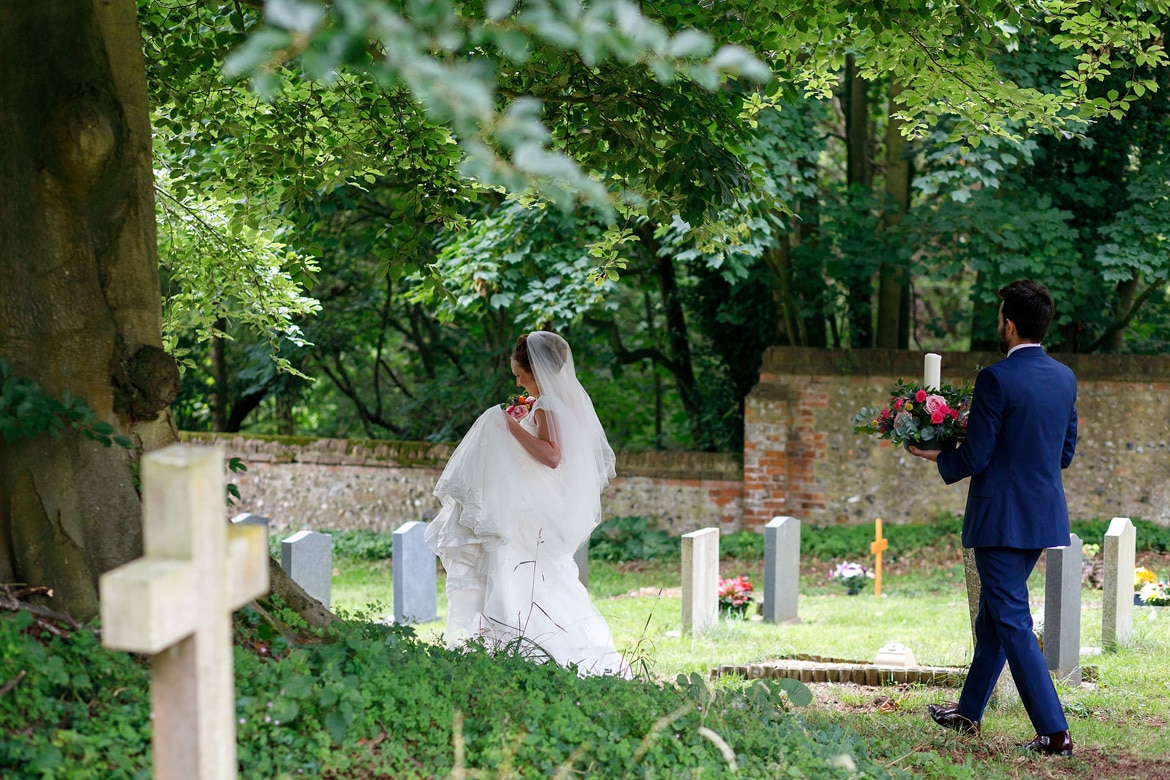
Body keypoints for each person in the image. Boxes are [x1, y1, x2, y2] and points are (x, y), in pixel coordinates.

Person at [909, 280, 1077, 757]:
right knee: (993, 620)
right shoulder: (1066, 378)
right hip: (1041, 517)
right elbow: (1064, 454)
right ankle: (968, 712)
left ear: (1009, 323)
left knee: (1011, 620)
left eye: (1000, 318)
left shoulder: (996, 378)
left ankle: (1054, 732)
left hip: (1000, 520)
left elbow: (977, 456)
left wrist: (936, 456)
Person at [424, 331, 629, 676]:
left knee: (513, 572)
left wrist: (509, 426)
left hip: (527, 513)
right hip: (534, 507)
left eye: (520, 376)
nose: (518, 383)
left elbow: (551, 456)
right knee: (535, 576)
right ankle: (518, 646)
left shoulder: (549, 404)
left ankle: (517, 646)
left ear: (537, 371)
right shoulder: (563, 403)